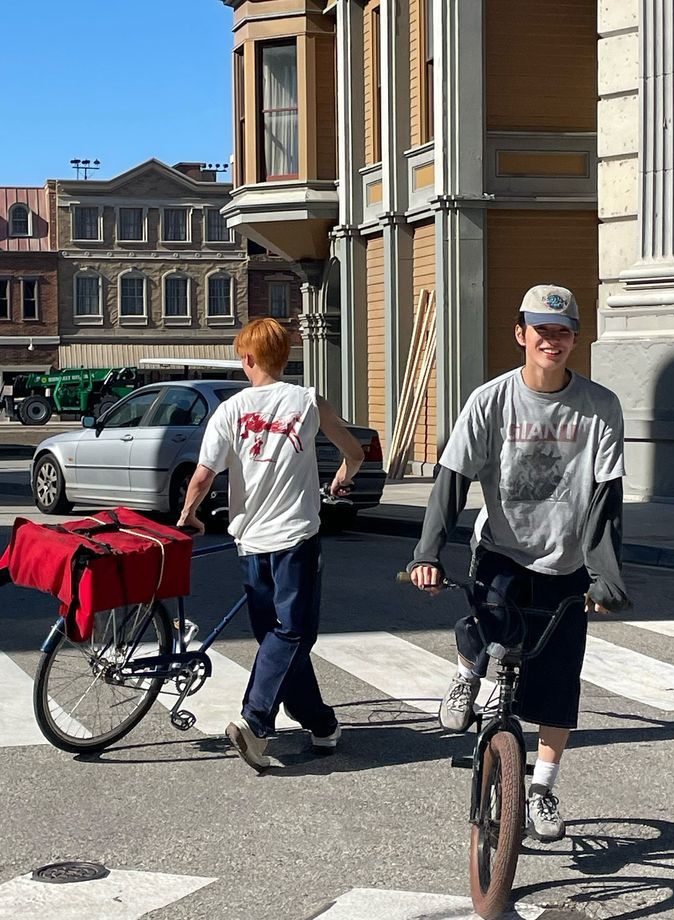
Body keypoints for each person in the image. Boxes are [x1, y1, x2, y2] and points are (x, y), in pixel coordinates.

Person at [408, 284, 629, 842]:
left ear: (574, 338)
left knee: (558, 683)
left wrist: (605, 575)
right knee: (490, 628)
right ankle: (467, 669)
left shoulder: (600, 406)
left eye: (562, 332)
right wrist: (427, 553)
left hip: (565, 563)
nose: (552, 341)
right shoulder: (491, 400)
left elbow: (605, 499)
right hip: (502, 551)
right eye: (541, 331)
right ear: (520, 334)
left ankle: (543, 790)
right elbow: (452, 480)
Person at [177, 318, 364, 773]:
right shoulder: (308, 401)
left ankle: (320, 723)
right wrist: (343, 477)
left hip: (250, 542)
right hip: (295, 537)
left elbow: (203, 475)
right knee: (293, 633)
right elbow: (354, 451)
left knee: (276, 636)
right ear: (283, 358)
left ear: (247, 359)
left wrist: (189, 515)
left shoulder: (229, 410)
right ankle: (255, 720)